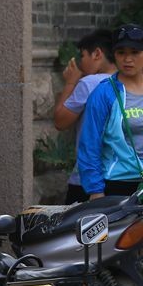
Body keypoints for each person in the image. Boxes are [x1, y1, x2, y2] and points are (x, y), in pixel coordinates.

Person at [78, 24, 143, 199]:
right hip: (117, 185)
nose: (127, 59)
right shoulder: (103, 93)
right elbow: (89, 144)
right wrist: (95, 190)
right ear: (114, 55)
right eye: (121, 52)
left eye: (135, 52)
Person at [53, 29, 115, 204]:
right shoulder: (131, 83)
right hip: (123, 178)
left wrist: (71, 82)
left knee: (76, 230)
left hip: (86, 181)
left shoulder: (90, 83)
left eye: (83, 56)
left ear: (97, 54)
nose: (81, 63)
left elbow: (60, 121)